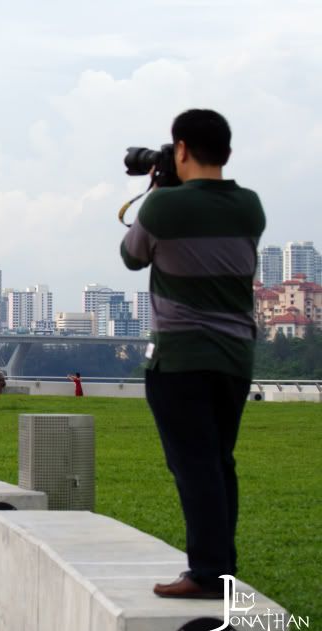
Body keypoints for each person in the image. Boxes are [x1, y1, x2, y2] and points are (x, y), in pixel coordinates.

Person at [121, 109, 265, 599]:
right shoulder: (251, 207)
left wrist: (158, 189)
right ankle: (221, 568)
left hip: (180, 359)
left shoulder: (163, 209)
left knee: (194, 467)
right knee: (219, 463)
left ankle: (207, 574)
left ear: (180, 149)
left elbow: (132, 254)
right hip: (234, 359)